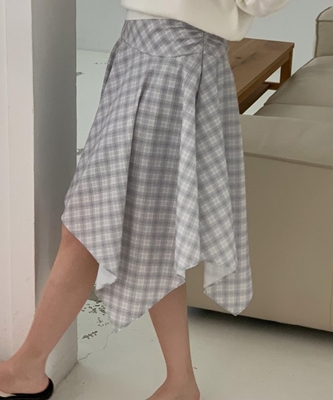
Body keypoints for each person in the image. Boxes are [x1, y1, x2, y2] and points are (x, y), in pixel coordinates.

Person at [0, 1, 290, 399]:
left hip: (173, 65)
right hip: (140, 50)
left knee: (90, 221)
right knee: (151, 233)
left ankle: (26, 368)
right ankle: (180, 382)